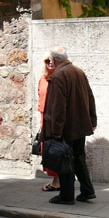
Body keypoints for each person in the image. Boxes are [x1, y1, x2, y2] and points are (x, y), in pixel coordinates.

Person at [41, 47, 97, 205]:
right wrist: (92, 121)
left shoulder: (58, 76)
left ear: (54, 60)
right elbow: (90, 96)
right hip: (80, 125)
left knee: (65, 160)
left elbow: (58, 107)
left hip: (67, 127)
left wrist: (56, 131)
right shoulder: (78, 71)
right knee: (79, 158)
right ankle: (87, 191)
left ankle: (66, 196)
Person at [37, 52, 59, 192]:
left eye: (52, 60)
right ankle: (55, 179)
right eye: (47, 61)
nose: (50, 63)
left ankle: (57, 181)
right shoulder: (43, 79)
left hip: (55, 119)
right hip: (44, 118)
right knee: (47, 151)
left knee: (56, 150)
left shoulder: (60, 78)